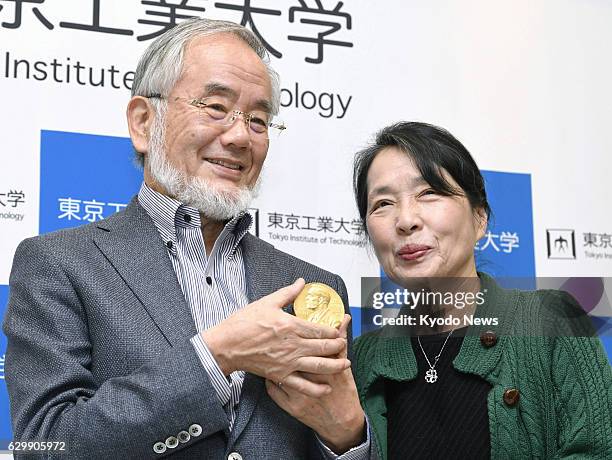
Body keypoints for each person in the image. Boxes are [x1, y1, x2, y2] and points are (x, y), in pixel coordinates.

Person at [3, 19, 373, 459]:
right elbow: (43, 443)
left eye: (258, 119)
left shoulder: (314, 286)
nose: (239, 136)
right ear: (144, 122)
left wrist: (347, 436)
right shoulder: (59, 263)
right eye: (216, 107)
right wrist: (217, 355)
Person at [350, 121, 612, 459]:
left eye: (429, 192)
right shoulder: (363, 357)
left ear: (479, 217)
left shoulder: (551, 320)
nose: (405, 220)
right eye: (382, 204)